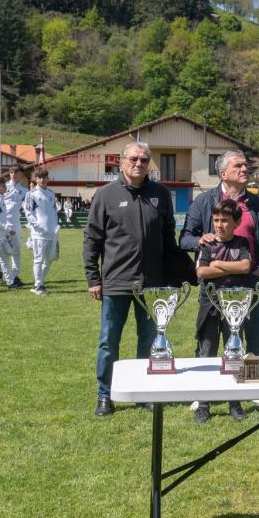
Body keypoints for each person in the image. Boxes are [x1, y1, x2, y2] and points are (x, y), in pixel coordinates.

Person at [84, 141, 193, 417]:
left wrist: (176, 274)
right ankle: (105, 395)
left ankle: (144, 391)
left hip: (153, 285)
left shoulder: (161, 195)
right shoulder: (106, 195)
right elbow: (92, 239)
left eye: (144, 160)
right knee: (109, 341)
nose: (139, 164)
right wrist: (93, 278)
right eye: (133, 159)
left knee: (149, 340)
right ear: (122, 162)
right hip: (116, 282)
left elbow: (169, 240)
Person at [180, 150, 259, 359]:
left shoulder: (256, 204)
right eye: (238, 166)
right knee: (208, 345)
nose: (245, 169)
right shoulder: (205, 201)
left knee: (255, 342)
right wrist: (200, 240)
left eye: (245, 165)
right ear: (223, 174)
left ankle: (258, 391)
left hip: (250, 282)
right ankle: (206, 390)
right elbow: (185, 238)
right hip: (214, 285)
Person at [193, 199, 253, 424]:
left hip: (234, 308)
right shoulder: (207, 244)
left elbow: (245, 266)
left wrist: (217, 265)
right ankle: (203, 404)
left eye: (225, 221)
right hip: (209, 306)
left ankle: (234, 402)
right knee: (206, 354)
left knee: (234, 354)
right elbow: (200, 272)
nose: (219, 225)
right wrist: (219, 267)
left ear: (236, 222)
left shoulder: (241, 243)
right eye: (216, 220)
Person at [24, 169, 60, 296]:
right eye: (40, 177)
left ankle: (39, 283)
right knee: (38, 260)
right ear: (36, 179)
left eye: (45, 177)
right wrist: (37, 225)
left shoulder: (51, 193)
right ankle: (38, 286)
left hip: (52, 232)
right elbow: (28, 212)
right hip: (39, 233)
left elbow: (54, 212)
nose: (43, 180)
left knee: (50, 259)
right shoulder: (31, 194)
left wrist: (56, 226)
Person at [3, 166, 29, 287]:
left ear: (21, 175)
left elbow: (27, 207)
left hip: (15, 222)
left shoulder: (24, 191)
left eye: (16, 173)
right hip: (3, 222)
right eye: (11, 172)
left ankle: (15, 276)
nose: (13, 175)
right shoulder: (4, 187)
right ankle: (0, 273)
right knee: (2, 250)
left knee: (17, 249)